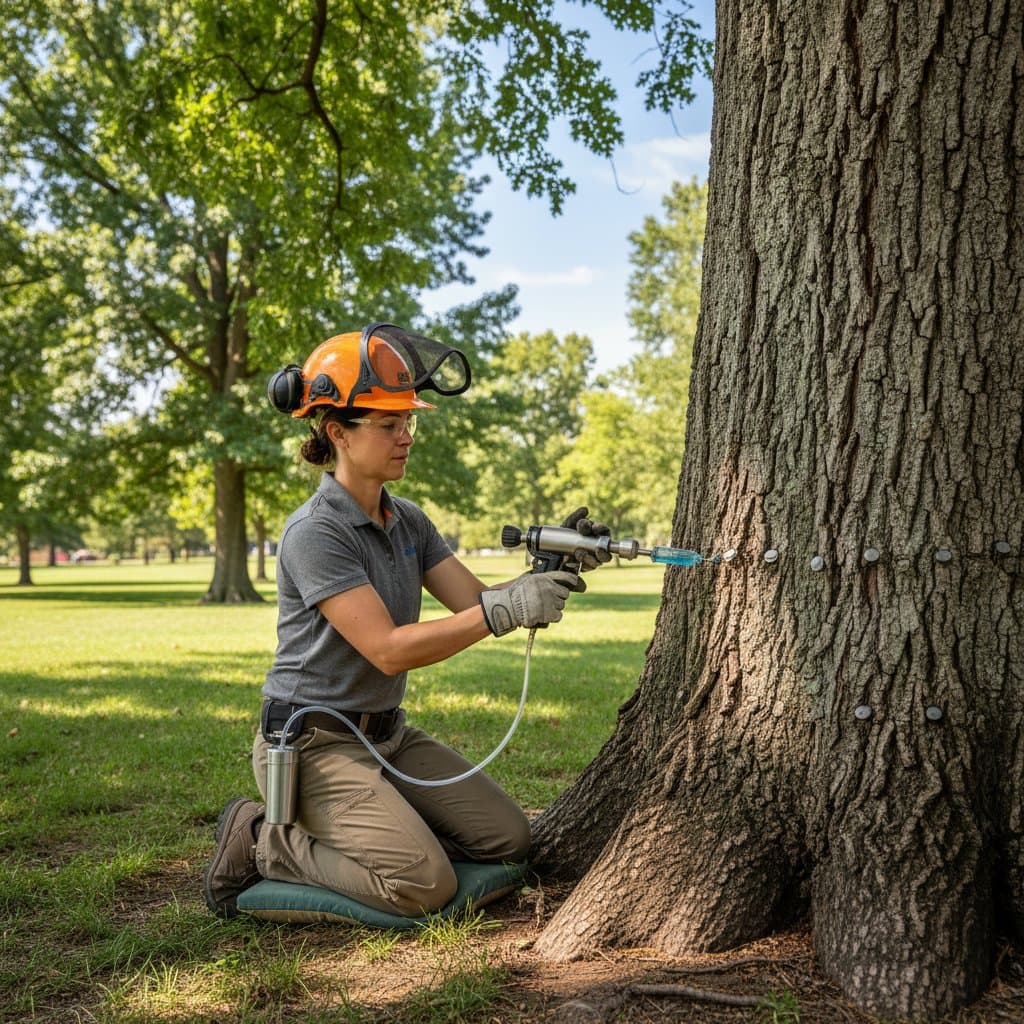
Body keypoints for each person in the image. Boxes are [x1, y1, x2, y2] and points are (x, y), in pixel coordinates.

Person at [203, 323, 608, 919]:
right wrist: (503, 612)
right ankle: (267, 838)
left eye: (408, 422)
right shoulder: (315, 532)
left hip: (387, 735)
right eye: (389, 424)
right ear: (337, 432)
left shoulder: (408, 519)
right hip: (314, 744)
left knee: (509, 839)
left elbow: (475, 601)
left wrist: (551, 568)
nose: (406, 437)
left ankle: (378, 822)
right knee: (423, 885)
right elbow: (388, 650)